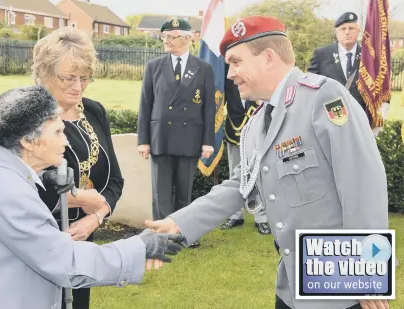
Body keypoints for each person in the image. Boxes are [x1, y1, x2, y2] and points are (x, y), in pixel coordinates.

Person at [144, 16, 389, 309]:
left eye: (236, 62)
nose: (230, 73)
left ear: (269, 58)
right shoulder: (259, 119)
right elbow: (240, 185)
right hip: (290, 284)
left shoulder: (324, 96)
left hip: (339, 283)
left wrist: (368, 273)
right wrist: (178, 222)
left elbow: (363, 181)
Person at [0, 86, 183, 309]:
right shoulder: (7, 190)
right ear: (28, 141)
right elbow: (64, 261)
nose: (66, 141)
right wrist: (140, 248)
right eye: (58, 132)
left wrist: (43, 176)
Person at [31, 27, 124, 308]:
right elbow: (20, 182)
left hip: (83, 239)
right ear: (44, 73)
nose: (78, 86)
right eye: (68, 78)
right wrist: (81, 198)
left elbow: (115, 180)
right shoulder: (27, 114)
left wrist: (94, 219)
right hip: (37, 239)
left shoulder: (94, 110)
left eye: (85, 78)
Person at [137, 18, 216, 247]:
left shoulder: (203, 68)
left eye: (171, 37)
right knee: (161, 192)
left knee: (184, 190)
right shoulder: (154, 66)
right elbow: (145, 104)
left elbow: (209, 107)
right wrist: (143, 140)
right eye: (165, 37)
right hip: (160, 136)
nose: (167, 41)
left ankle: (183, 232)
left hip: (189, 136)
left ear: (187, 39)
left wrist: (207, 142)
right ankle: (162, 235)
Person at [221, 64, 270, 234]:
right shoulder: (227, 75)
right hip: (233, 130)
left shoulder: (258, 72)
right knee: (235, 173)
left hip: (257, 130)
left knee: (259, 174)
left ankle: (261, 217)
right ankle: (235, 215)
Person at [308, 12, 372, 123]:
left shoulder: (369, 56)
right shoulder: (321, 54)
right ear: (337, 33)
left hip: (360, 118)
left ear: (358, 31)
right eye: (343, 29)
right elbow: (310, 85)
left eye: (351, 28)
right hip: (329, 118)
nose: (347, 32)